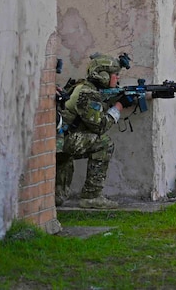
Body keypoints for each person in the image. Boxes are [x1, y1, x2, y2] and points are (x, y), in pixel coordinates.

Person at [55, 53, 131, 209]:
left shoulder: (85, 87)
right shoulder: (87, 94)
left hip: (61, 140)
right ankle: (92, 195)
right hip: (64, 142)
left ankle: (56, 194)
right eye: (114, 75)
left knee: (58, 199)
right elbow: (100, 126)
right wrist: (118, 107)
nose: (117, 78)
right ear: (102, 75)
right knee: (104, 144)